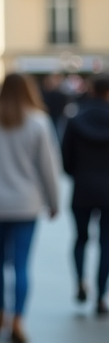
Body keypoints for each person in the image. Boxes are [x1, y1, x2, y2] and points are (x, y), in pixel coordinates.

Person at [0, 73, 61, 343]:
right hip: (26, 204)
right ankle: (18, 319)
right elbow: (48, 167)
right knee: (21, 264)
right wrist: (54, 201)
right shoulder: (39, 122)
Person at [62, 74, 109, 315]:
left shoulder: (76, 119)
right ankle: (101, 296)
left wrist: (79, 173)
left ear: (91, 90)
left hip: (82, 187)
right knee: (106, 244)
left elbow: (66, 160)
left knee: (81, 239)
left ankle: (81, 280)